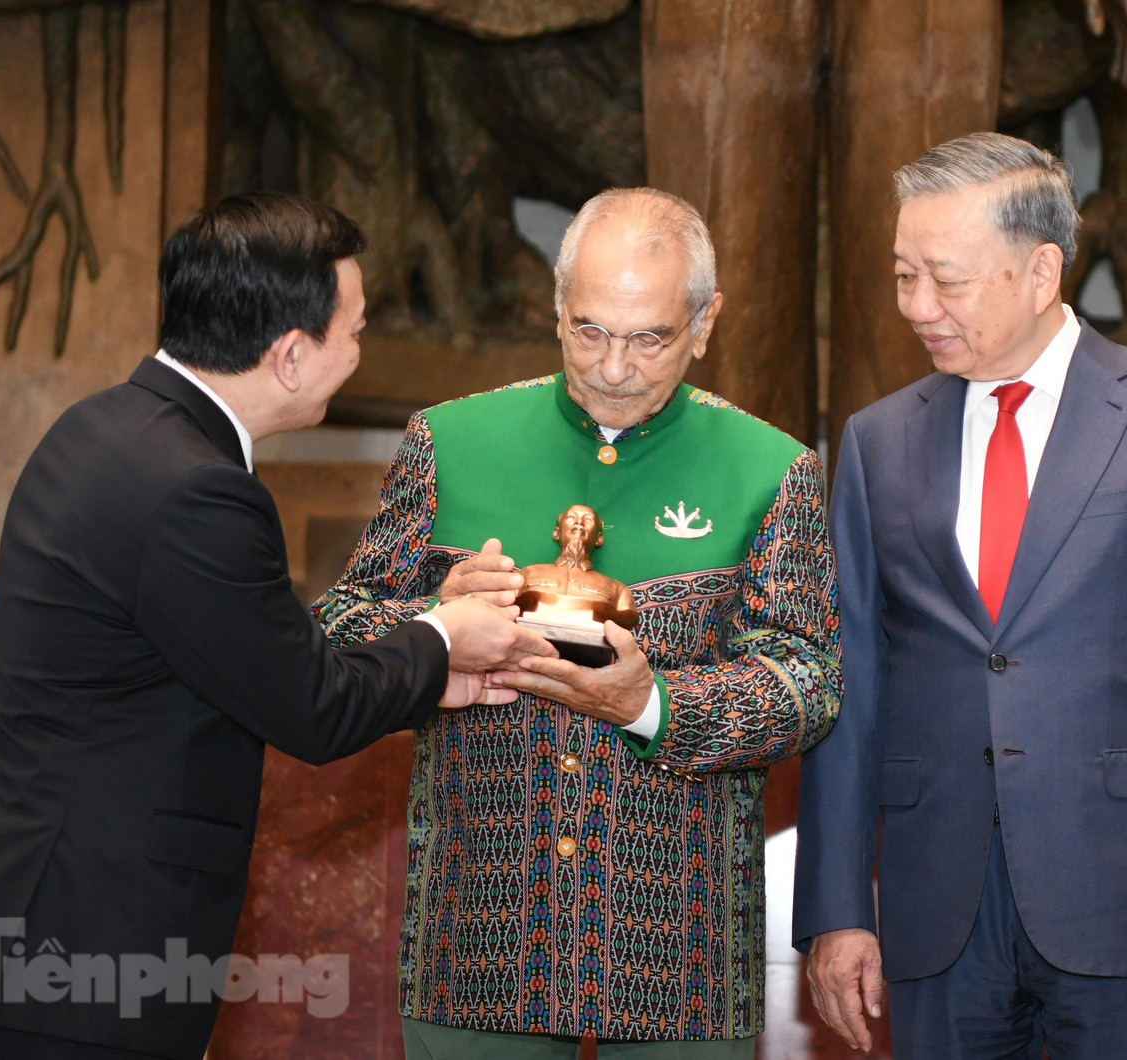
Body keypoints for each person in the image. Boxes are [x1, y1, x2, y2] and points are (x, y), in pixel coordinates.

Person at [0, 192, 551, 1060]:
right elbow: (310, 707)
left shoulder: (101, 427)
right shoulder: (199, 490)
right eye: (357, 332)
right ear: (291, 354)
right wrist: (447, 637)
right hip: (82, 964)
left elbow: (244, 648)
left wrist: (422, 639)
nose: (360, 354)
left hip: (10, 925)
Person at [315, 187, 841, 1058]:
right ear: (557, 311)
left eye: (650, 338)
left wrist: (654, 705)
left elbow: (810, 683)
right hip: (479, 932)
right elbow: (336, 629)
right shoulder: (448, 442)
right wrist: (436, 620)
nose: (613, 367)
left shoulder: (770, 469)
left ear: (705, 325)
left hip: (678, 947)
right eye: (588, 330)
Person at [794, 132, 1127, 1058]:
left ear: (1041, 269)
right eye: (902, 277)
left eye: (946, 279)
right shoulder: (876, 441)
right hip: (938, 910)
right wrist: (837, 910)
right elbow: (849, 687)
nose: (917, 307)